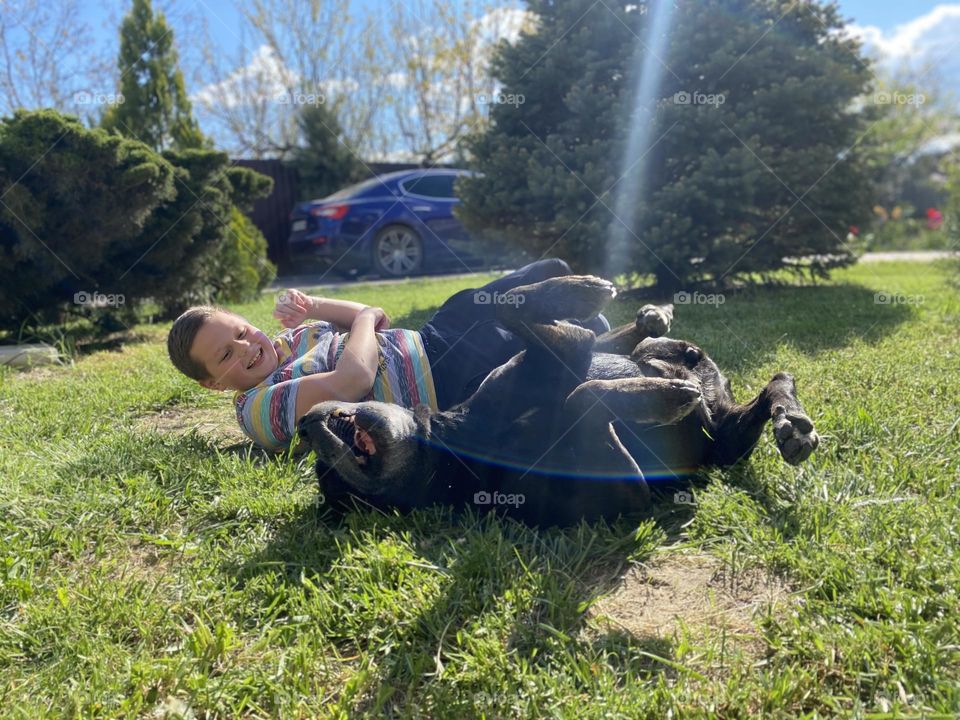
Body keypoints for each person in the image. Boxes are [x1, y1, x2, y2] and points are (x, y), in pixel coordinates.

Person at [166, 259, 609, 452]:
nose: (246, 347)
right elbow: (351, 382)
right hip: (438, 381)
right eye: (226, 353)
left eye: (242, 331)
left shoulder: (291, 344)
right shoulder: (258, 406)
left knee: (482, 297)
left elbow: (369, 316)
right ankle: (581, 327)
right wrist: (366, 320)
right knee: (510, 349)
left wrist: (315, 308)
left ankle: (563, 295)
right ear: (212, 383)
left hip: (429, 339)